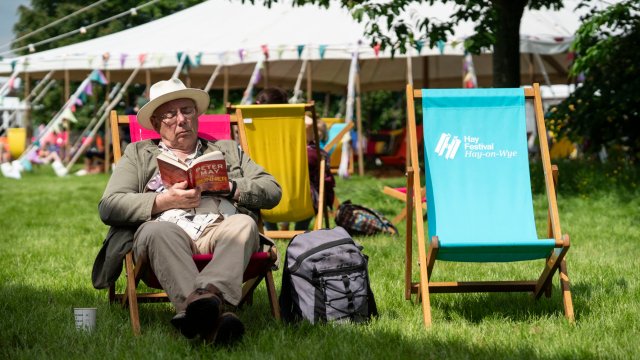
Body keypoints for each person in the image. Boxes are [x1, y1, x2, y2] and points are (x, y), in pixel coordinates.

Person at [93, 78, 282, 345]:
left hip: (219, 229)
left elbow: (272, 189)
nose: (181, 120)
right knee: (158, 231)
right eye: (170, 114)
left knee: (243, 225)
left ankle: (200, 305)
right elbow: (109, 205)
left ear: (197, 115)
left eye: (187, 111)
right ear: (157, 123)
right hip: (166, 235)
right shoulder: (138, 153)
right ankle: (213, 313)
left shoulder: (225, 149)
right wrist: (163, 202)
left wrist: (231, 187)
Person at [255, 88, 335, 231]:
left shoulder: (253, 126)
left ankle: (271, 230)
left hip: (265, 202)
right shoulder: (293, 125)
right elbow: (309, 122)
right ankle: (301, 230)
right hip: (301, 202)